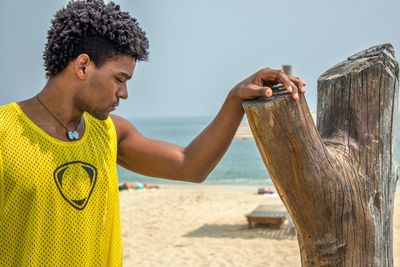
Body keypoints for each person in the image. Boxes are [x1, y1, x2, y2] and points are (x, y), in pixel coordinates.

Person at [0, 0, 305, 266]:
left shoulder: (109, 133)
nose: (124, 93)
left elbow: (190, 165)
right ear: (83, 66)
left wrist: (235, 100)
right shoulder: (5, 133)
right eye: (120, 78)